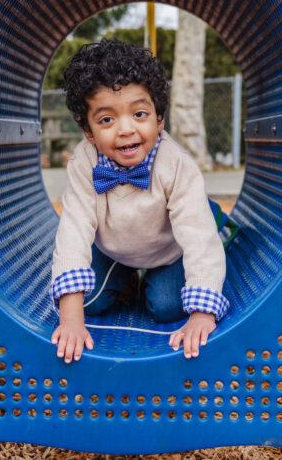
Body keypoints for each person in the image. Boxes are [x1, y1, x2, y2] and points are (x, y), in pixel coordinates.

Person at [49, 39, 228, 363]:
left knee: (168, 306)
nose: (126, 129)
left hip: (168, 249)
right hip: (113, 247)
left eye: (140, 113)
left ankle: (218, 223)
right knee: (86, 303)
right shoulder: (83, 164)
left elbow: (198, 240)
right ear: (87, 131)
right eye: (106, 120)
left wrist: (203, 314)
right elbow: (73, 231)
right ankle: (127, 279)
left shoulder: (175, 165)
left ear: (159, 118)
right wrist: (71, 320)